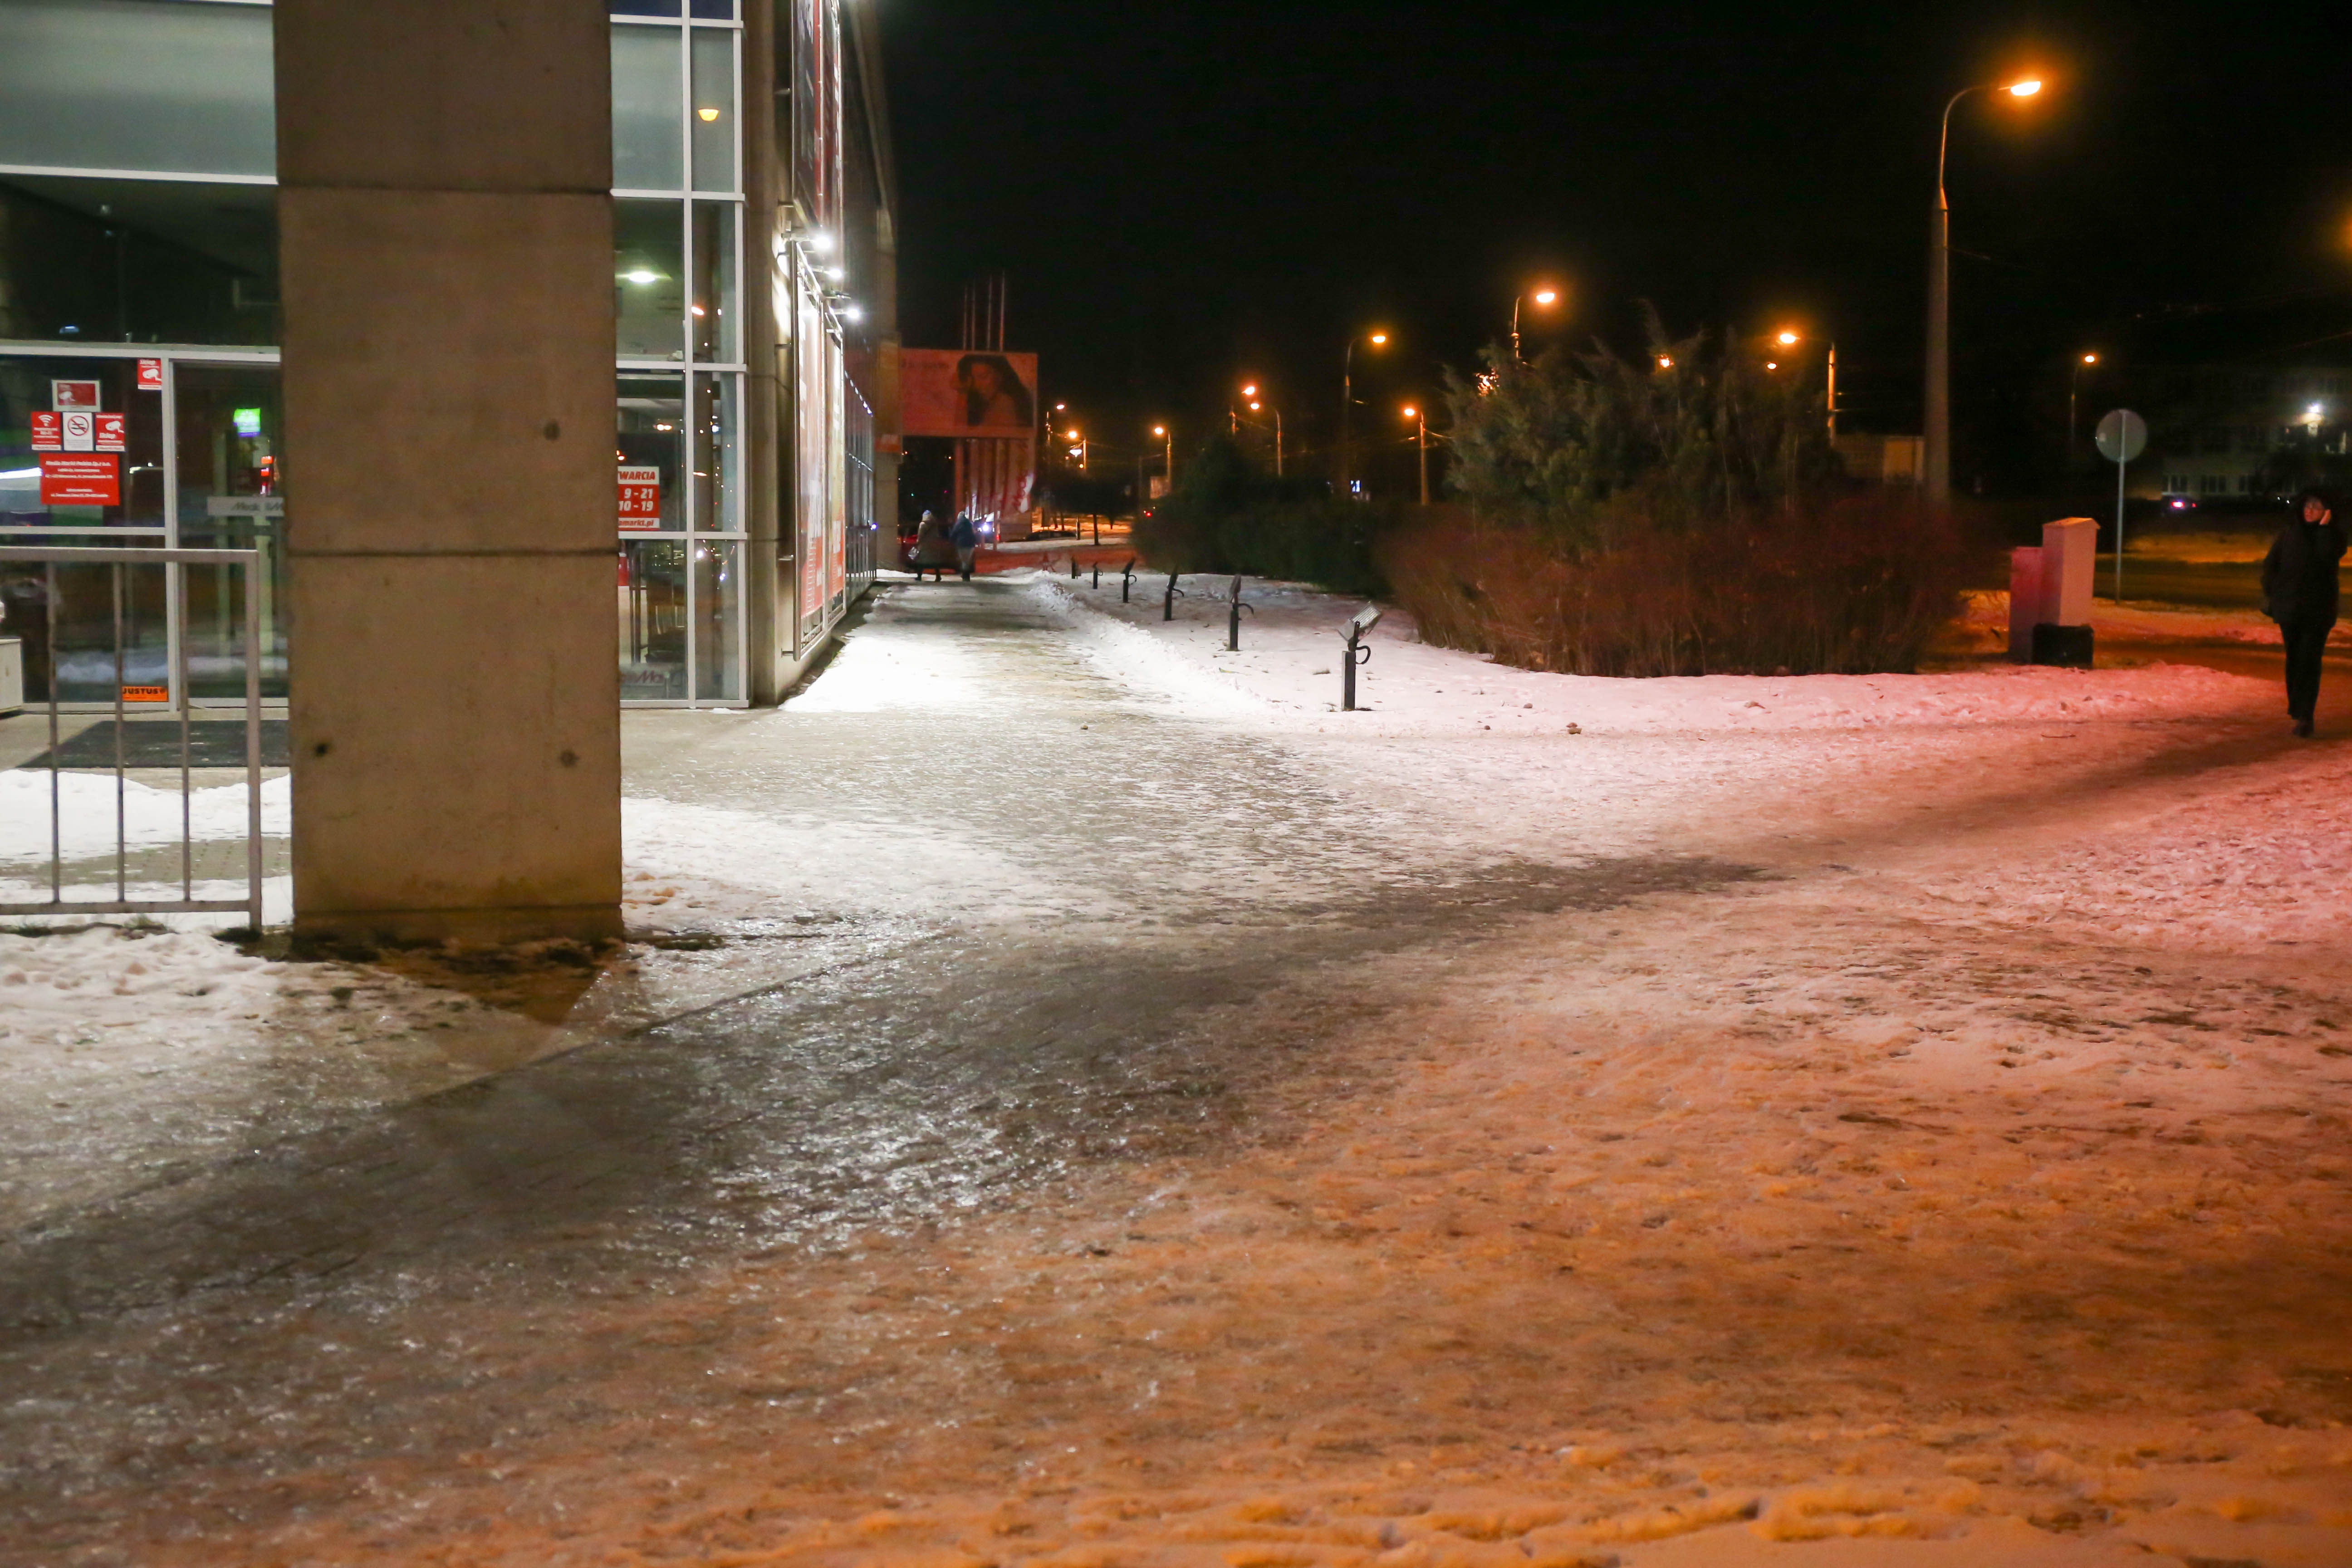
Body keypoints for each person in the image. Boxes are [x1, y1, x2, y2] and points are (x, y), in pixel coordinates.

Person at [2261, 487, 2346, 737]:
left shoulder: (2333, 536)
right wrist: (2273, 589)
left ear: (2327, 512)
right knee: (2294, 659)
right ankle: (2297, 709)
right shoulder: (2289, 534)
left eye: (2317, 507)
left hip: (2318, 612)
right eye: (2307, 506)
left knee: (2309, 660)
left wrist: (2323, 529)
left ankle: (2306, 715)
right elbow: (2271, 565)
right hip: (2289, 609)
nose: (2310, 511)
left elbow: (2327, 556)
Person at [953, 354, 1033, 431]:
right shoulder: (985, 404)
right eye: (972, 380)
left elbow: (961, 433)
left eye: (983, 377)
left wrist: (963, 393)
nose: (977, 385)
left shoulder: (1005, 403)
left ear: (1000, 375)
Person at [949, 512, 980, 581]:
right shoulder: (970, 524)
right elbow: (973, 534)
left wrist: (951, 541)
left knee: (964, 560)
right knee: (967, 561)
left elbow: (954, 534)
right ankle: (966, 575)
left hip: (962, 544)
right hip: (971, 545)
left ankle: (965, 576)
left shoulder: (958, 524)